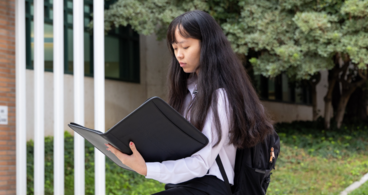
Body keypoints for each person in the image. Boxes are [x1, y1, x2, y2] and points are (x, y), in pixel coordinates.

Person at [106, 10, 275, 195]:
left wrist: (147, 169)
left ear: (208, 45)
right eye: (175, 48)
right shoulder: (186, 93)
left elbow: (201, 163)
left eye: (185, 47)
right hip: (185, 185)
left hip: (211, 187)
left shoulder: (221, 97)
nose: (178, 54)